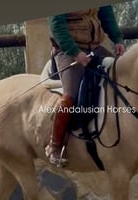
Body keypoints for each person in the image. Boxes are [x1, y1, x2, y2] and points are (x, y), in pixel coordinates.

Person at [45, 6, 126, 166]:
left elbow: (106, 15)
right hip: (67, 51)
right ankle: (55, 146)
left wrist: (118, 40)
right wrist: (75, 52)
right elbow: (57, 26)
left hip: (95, 48)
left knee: (123, 77)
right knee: (70, 96)